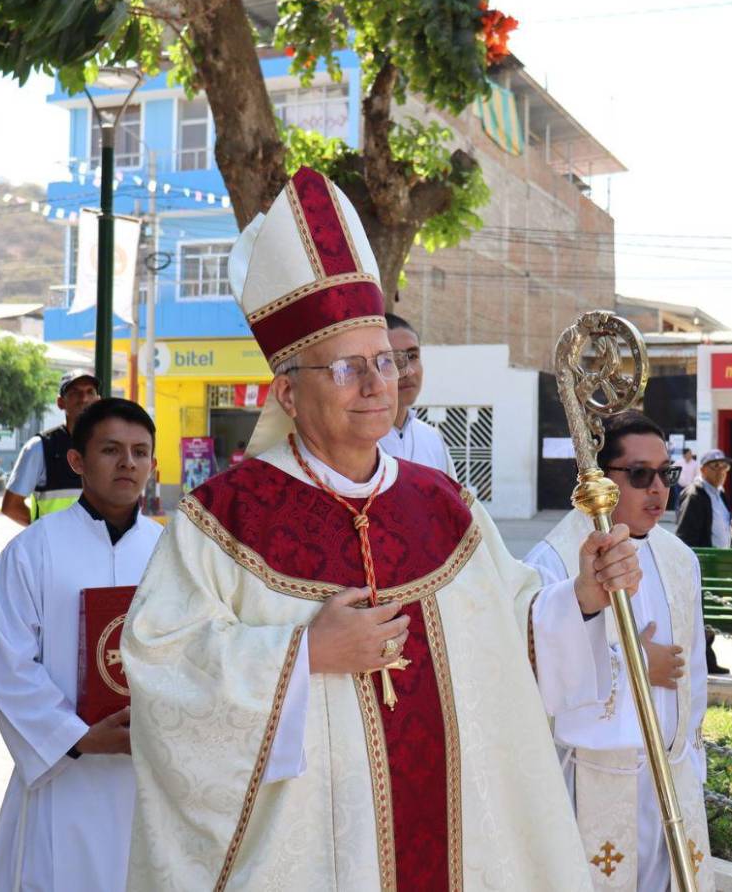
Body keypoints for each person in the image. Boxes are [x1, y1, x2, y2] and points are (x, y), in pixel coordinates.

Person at [122, 167, 641, 890]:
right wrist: (304, 654)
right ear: (288, 392)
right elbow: (163, 665)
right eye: (345, 369)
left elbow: (510, 632)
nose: (375, 386)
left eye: (385, 363)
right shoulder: (225, 519)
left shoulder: (444, 505)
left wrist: (582, 594)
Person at [525, 411, 714, 891]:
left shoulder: (679, 559)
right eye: (640, 475)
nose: (659, 489)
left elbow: (693, 671)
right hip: (592, 780)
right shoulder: (554, 562)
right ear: (600, 479)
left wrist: (690, 761)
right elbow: (537, 674)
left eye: (666, 473)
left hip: (668, 773)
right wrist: (636, 665)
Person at [0, 398, 163, 891]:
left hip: (148, 773)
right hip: (64, 773)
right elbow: (11, 666)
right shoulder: (31, 551)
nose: (127, 463)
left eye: (140, 452)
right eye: (111, 450)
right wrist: (75, 737)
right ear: (77, 460)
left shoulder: (172, 553)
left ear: (153, 464)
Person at [2, 369, 100, 525]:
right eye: (75, 393)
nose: (84, 398)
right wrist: (47, 533)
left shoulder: (111, 446)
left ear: (98, 400)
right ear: (60, 403)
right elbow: (11, 507)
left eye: (90, 392)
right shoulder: (39, 447)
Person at [675, 449, 732, 677]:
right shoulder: (695, 494)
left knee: (708, 615)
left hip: (715, 567)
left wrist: (731, 525)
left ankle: (706, 657)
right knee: (702, 614)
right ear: (702, 469)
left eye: (725, 467)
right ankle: (704, 659)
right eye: (715, 466)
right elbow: (685, 536)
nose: (721, 471)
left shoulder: (719, 493)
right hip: (704, 566)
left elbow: (715, 524)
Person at [378, 312, 456, 476]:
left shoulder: (432, 439)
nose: (408, 371)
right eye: (391, 359)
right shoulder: (356, 442)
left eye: (412, 356)